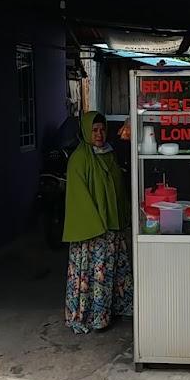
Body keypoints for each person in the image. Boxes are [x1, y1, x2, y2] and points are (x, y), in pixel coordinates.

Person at [63, 111, 133, 334]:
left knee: (109, 274)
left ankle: (111, 311)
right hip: (93, 231)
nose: (99, 134)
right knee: (93, 276)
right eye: (94, 130)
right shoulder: (79, 159)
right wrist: (97, 224)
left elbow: (118, 189)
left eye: (102, 129)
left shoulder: (109, 154)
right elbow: (78, 197)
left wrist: (123, 216)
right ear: (85, 132)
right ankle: (93, 317)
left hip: (112, 227)